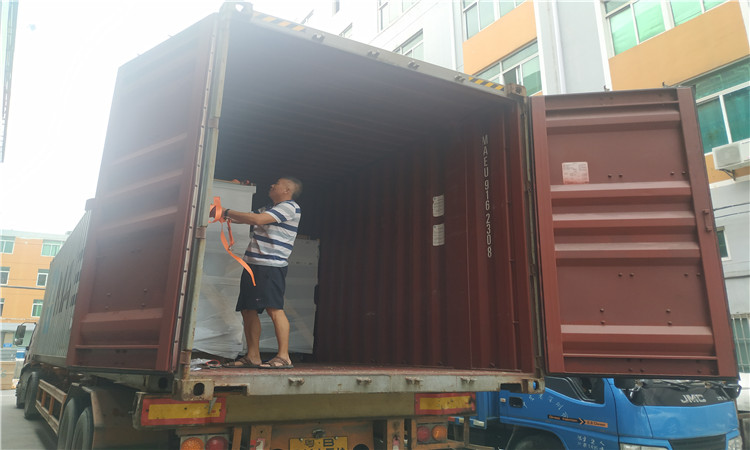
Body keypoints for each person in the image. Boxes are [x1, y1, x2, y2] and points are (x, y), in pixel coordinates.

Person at [221, 177, 302, 369]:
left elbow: (256, 220)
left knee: (274, 309)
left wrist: (226, 211)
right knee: (247, 309)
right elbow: (248, 218)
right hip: (253, 265)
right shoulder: (269, 208)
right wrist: (220, 214)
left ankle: (284, 357)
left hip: (270, 266)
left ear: (287, 190)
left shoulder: (290, 207)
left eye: (277, 183)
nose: (272, 185)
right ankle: (253, 356)